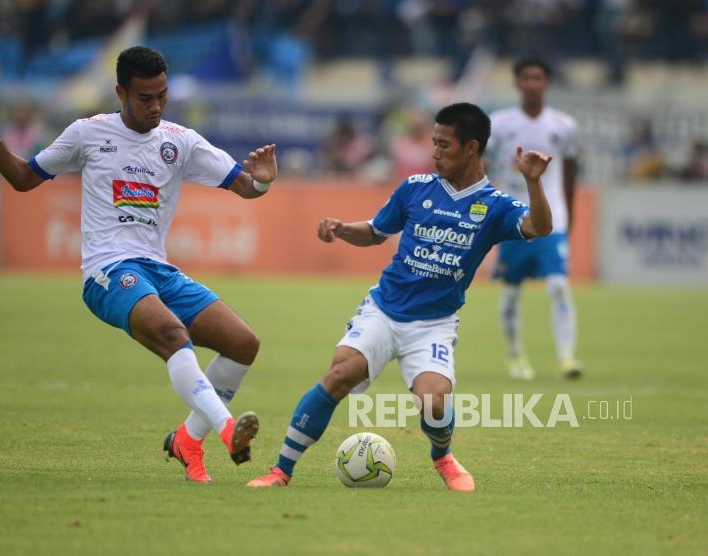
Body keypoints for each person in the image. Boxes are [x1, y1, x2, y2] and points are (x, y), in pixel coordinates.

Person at [0, 46, 278, 484]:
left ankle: (187, 440)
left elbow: (246, 187)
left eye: (162, 95)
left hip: (159, 270)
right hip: (107, 270)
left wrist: (262, 179)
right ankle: (226, 429)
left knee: (243, 343)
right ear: (120, 93)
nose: (156, 106)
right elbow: (23, 178)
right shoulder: (87, 134)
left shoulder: (179, 141)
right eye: (145, 97)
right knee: (173, 336)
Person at [247, 102, 554, 491]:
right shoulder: (415, 188)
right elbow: (376, 231)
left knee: (435, 403)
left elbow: (539, 227)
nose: (434, 152)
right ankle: (281, 470)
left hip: (433, 324)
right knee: (340, 372)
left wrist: (533, 181)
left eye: (444, 145)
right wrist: (343, 229)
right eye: (433, 143)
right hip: (384, 309)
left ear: (472, 148)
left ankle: (442, 456)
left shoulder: (494, 206)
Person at [487, 58, 582, 380]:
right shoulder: (499, 124)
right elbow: (483, 166)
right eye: (526, 77)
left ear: (546, 82)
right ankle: (515, 356)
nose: (532, 83)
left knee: (558, 285)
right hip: (512, 218)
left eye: (538, 77)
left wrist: (570, 215)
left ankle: (567, 358)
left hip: (553, 218)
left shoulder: (564, 125)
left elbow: (570, 172)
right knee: (512, 290)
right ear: (517, 83)